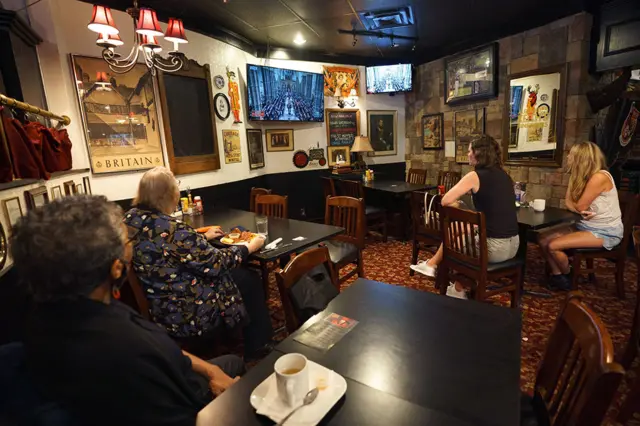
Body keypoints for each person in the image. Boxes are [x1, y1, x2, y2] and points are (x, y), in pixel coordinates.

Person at [17, 196, 244, 426]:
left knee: (224, 364)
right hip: (186, 403)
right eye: (128, 242)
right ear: (116, 268)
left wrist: (211, 369)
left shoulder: (39, 320)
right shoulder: (133, 348)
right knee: (235, 364)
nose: (132, 246)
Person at [124, 167, 273, 358]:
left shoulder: (130, 219)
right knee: (249, 279)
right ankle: (258, 347)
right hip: (188, 310)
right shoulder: (173, 230)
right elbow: (217, 263)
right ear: (168, 194)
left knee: (241, 277)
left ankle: (236, 334)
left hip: (158, 301)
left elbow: (167, 248)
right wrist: (249, 246)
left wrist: (198, 236)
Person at [410, 135, 520, 299]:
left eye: (469, 151)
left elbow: (446, 200)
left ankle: (456, 288)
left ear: (478, 153)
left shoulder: (475, 176)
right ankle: (438, 270)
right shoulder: (504, 176)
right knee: (461, 233)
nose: (468, 154)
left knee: (453, 243)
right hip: (513, 245)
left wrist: (459, 204)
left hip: (494, 248)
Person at [538, 141, 623, 290]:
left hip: (605, 231)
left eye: (571, 155)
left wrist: (577, 208)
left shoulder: (599, 177)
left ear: (580, 159)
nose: (568, 157)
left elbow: (579, 206)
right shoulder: (580, 177)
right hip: (584, 225)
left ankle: (568, 274)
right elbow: (568, 203)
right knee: (542, 238)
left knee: (553, 246)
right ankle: (559, 276)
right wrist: (577, 207)